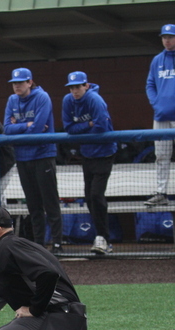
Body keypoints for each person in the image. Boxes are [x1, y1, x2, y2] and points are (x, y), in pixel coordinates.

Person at [3, 68, 63, 254]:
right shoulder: (12, 100)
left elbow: (38, 128)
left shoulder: (42, 97)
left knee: (50, 202)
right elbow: (6, 128)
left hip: (43, 155)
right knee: (33, 204)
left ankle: (58, 244)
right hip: (22, 157)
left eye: (20, 82)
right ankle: (39, 244)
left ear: (30, 82)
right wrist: (26, 126)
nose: (17, 86)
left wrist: (19, 127)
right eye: (14, 83)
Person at [61, 71, 118, 255]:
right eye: (72, 87)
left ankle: (103, 238)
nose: (75, 91)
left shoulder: (94, 99)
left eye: (78, 87)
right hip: (87, 153)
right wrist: (88, 125)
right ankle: (101, 237)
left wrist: (85, 129)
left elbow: (101, 125)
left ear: (86, 85)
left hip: (104, 152)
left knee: (95, 195)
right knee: (89, 197)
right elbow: (68, 127)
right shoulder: (68, 101)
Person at [144, 24, 175, 207]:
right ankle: (161, 192)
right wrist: (157, 104)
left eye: (170, 37)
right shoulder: (157, 60)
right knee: (162, 156)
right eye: (164, 37)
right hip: (161, 116)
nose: (167, 40)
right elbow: (150, 85)